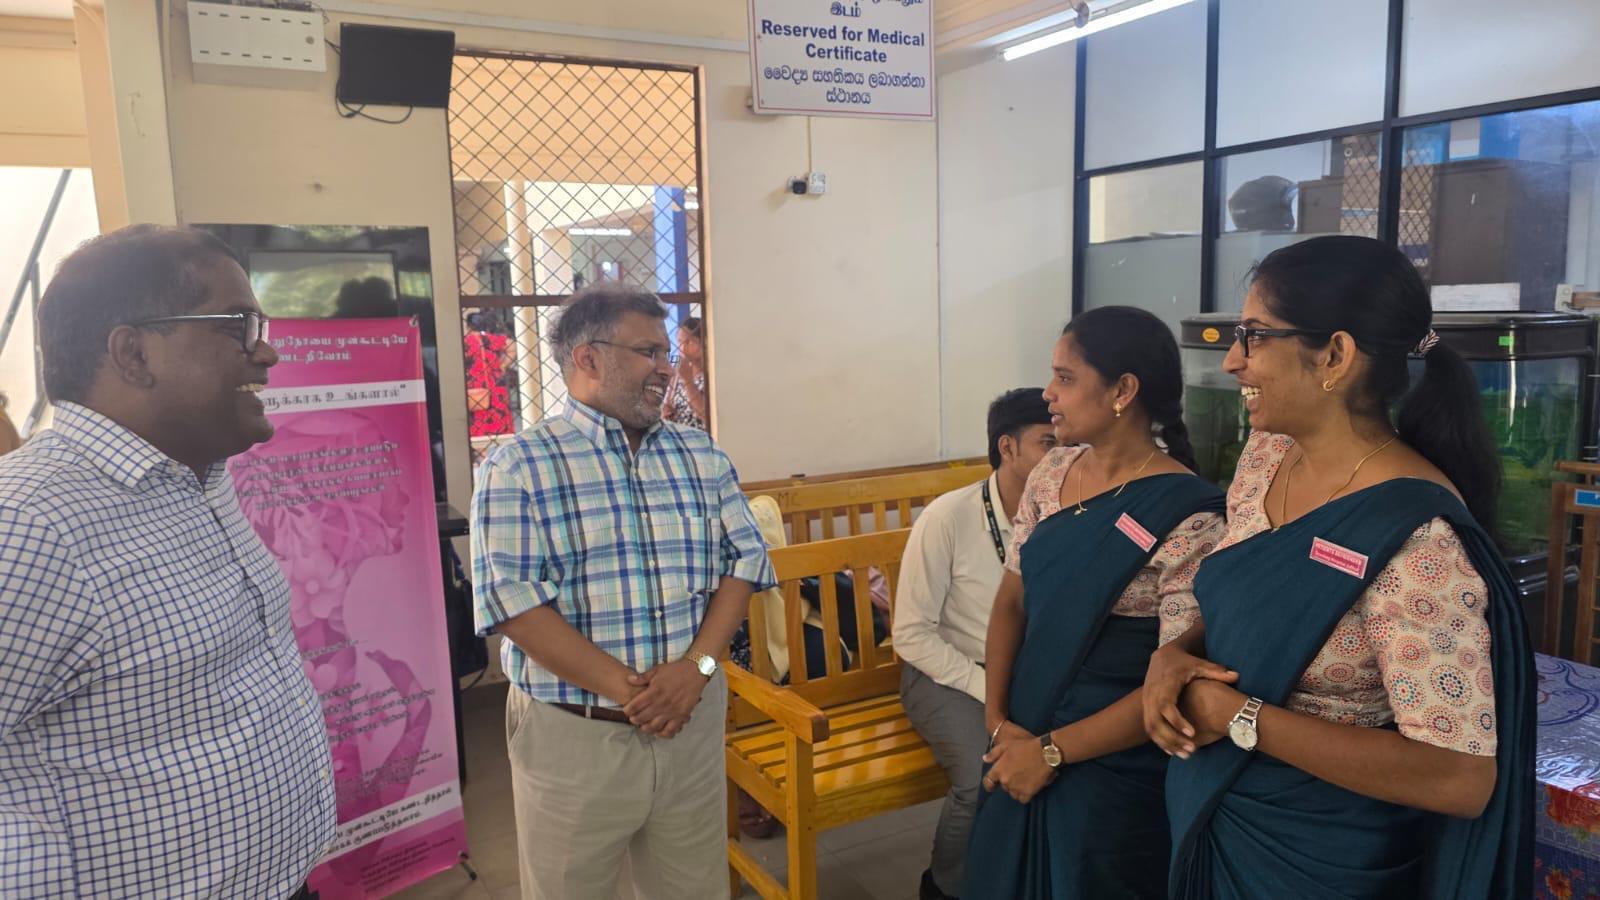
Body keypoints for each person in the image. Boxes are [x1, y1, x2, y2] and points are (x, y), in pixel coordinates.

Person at [1144, 236, 1533, 899]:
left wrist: (1243, 719)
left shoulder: (1415, 539)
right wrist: (1177, 654)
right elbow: (1248, 604)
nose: (1233, 360)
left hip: (1319, 858)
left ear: (1334, 355)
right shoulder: (1266, 457)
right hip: (1219, 812)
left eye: (1254, 336)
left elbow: (1458, 780)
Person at [0, 225, 335, 898]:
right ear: (133, 353)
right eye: (238, 325)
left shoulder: (201, 480)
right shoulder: (29, 526)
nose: (265, 351)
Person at [470, 283, 775, 900]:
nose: (668, 367)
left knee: (693, 888)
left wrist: (697, 670)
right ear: (589, 359)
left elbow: (745, 563)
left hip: (690, 723)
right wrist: (635, 695)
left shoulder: (699, 454)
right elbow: (515, 606)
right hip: (575, 736)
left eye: (667, 352)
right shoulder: (519, 466)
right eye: (648, 352)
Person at [963, 307, 1227, 899]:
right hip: (1021, 723)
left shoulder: (1190, 516)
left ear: (1123, 391)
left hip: (1111, 755)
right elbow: (1012, 600)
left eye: (1065, 378)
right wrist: (999, 720)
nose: (1048, 395)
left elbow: (1172, 684)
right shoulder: (1051, 472)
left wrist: (1051, 753)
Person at [892, 387, 1057, 900]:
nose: (1064, 457)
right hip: (947, 671)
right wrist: (986, 685)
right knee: (981, 774)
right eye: (1048, 443)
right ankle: (944, 888)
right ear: (1007, 448)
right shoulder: (948, 517)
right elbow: (910, 634)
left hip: (1020, 670)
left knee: (1067, 759)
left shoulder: (1064, 512)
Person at [663, 315, 708, 430]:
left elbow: (706, 416)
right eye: (680, 342)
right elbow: (668, 402)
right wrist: (666, 410)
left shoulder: (712, 374)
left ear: (704, 342)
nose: (682, 348)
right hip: (679, 438)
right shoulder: (678, 369)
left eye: (689, 342)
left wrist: (688, 381)